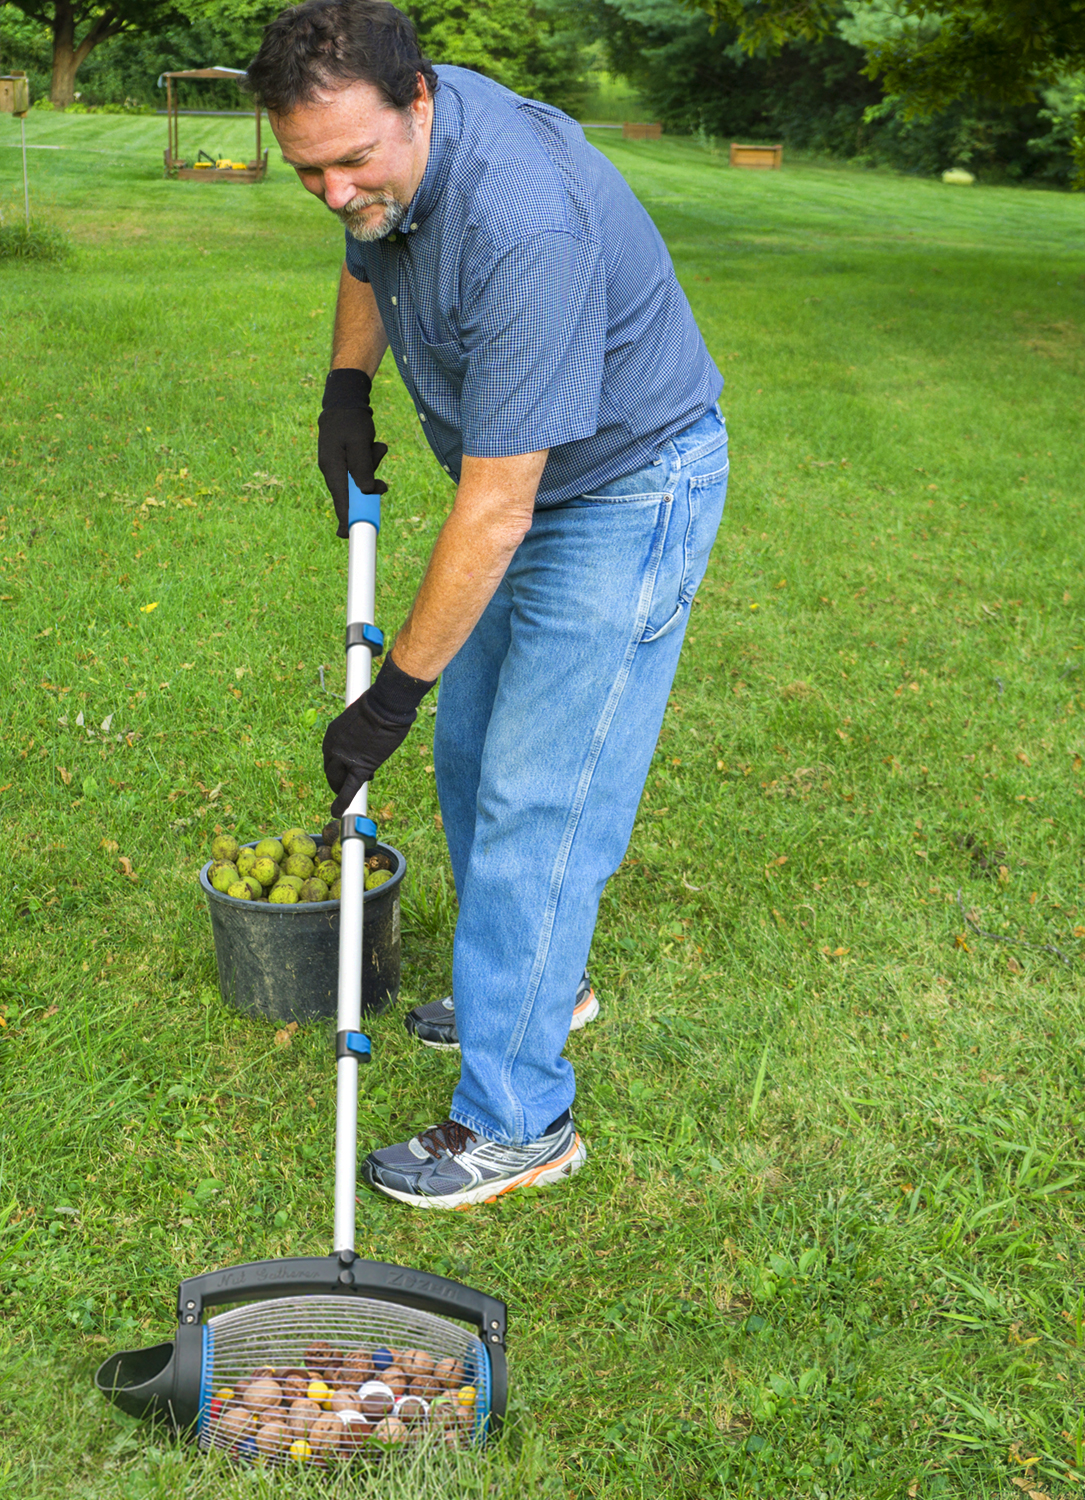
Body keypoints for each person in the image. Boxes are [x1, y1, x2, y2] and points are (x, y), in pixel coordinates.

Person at [246, 0, 728, 1209]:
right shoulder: (384, 139)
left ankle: (521, 1122)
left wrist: (391, 694)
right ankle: (537, 984)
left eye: (353, 159)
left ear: (418, 104)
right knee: (472, 758)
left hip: (622, 486)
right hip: (524, 481)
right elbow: (367, 243)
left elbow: (498, 510)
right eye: (306, 167)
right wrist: (343, 385)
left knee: (537, 796)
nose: (333, 187)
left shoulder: (521, 221)